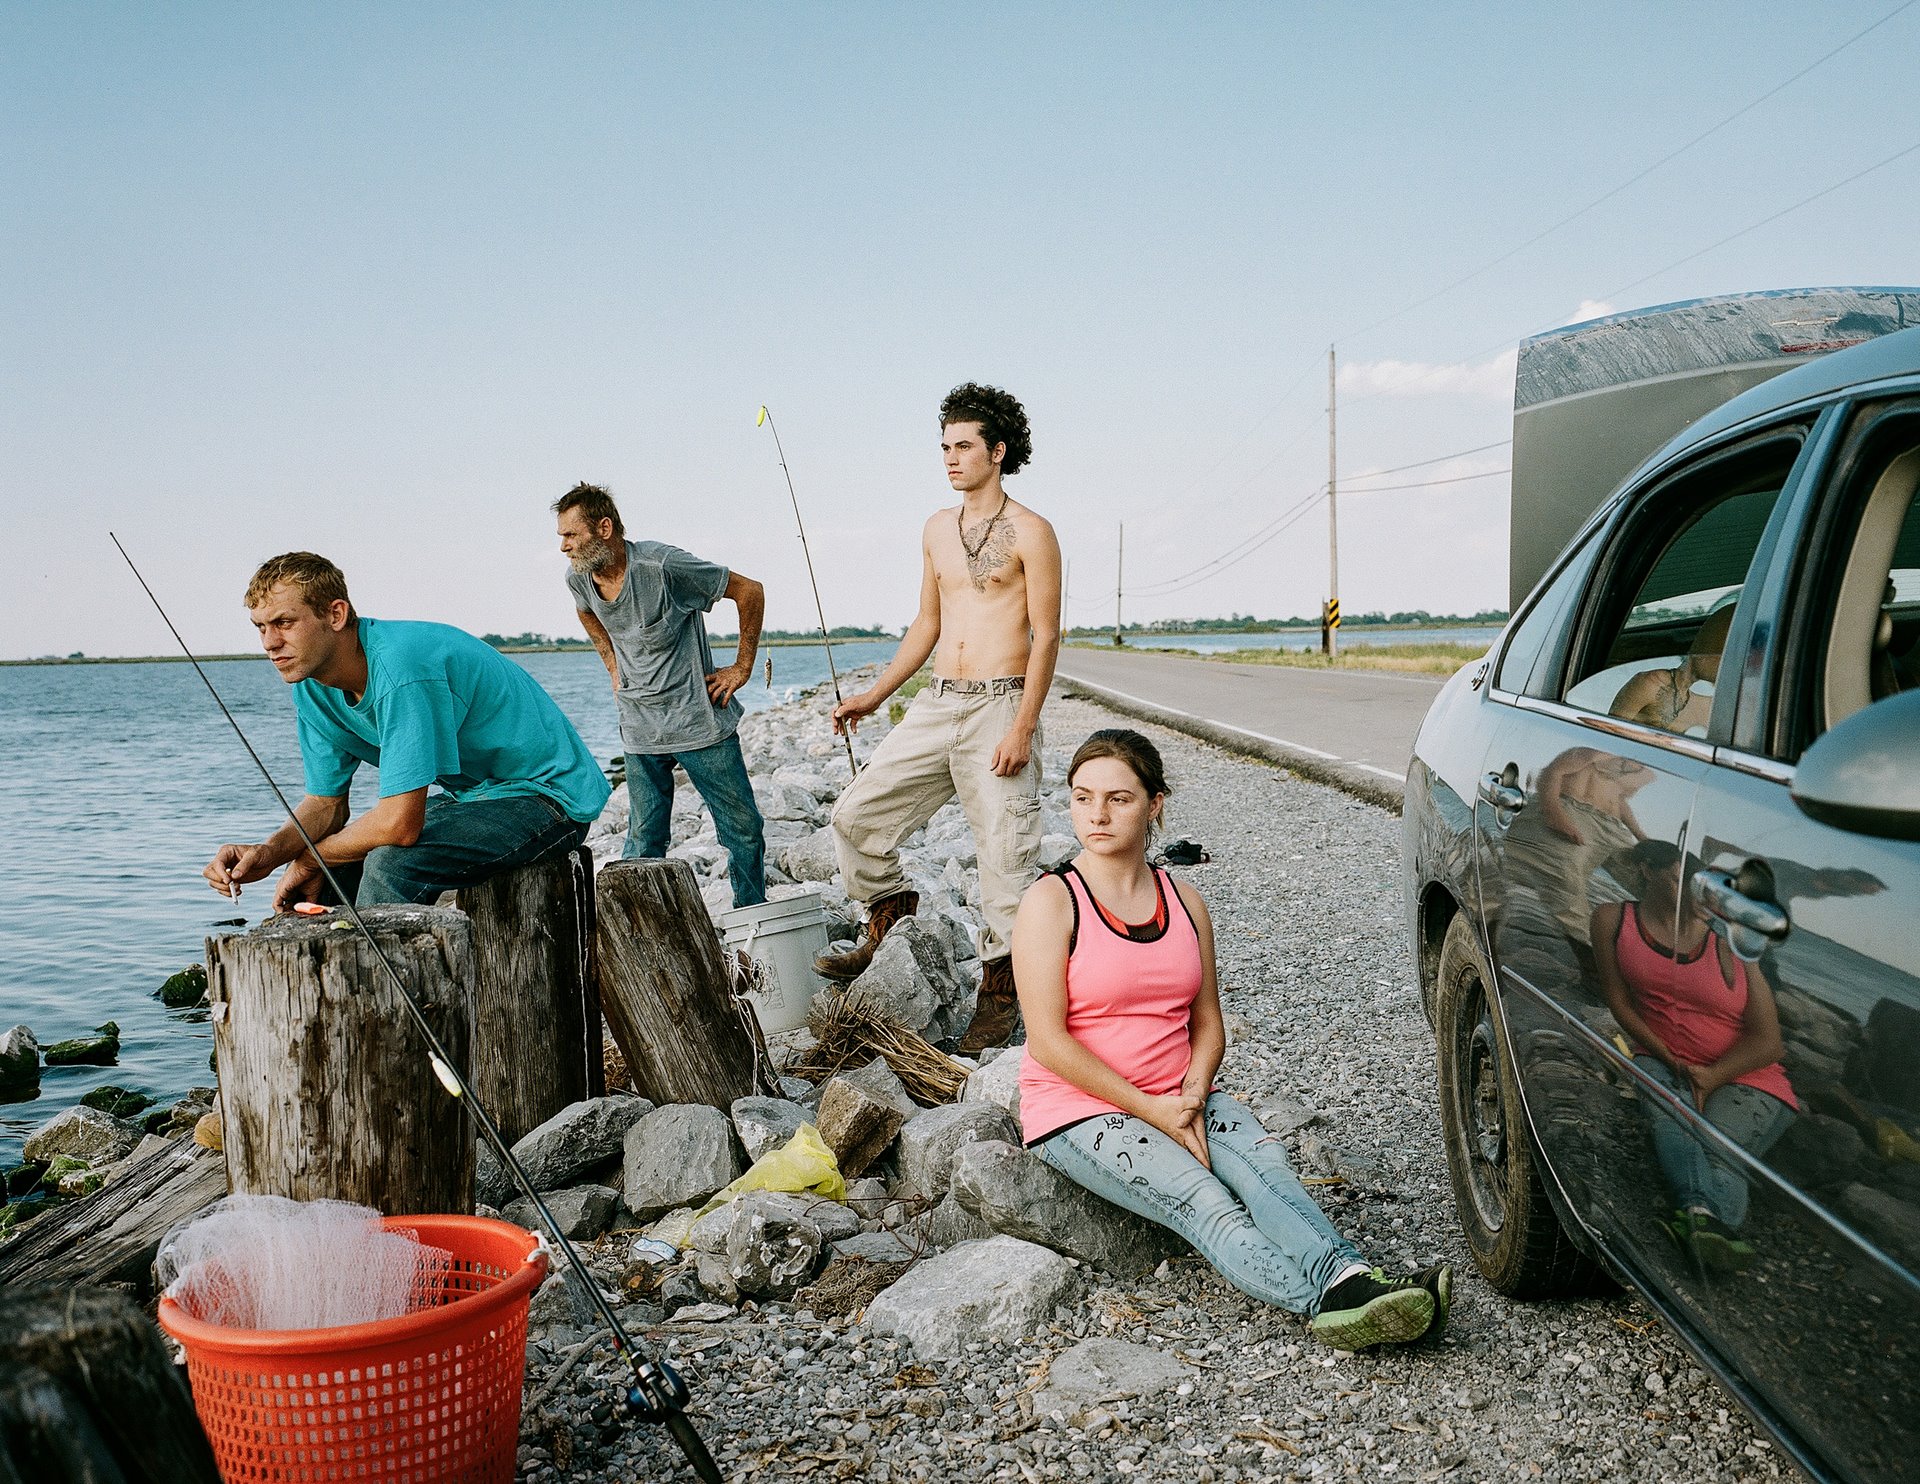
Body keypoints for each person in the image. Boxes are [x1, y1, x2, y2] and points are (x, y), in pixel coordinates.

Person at [1013, 729, 1451, 1348]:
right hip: (1081, 1109)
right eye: (1083, 798)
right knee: (1204, 1199)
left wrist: (1189, 1096)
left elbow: (1208, 1022)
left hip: (1181, 1093)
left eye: (1118, 798)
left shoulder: (1184, 901)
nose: (1097, 815)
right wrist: (1157, 1112)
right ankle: (1335, 1301)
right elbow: (1049, 1042)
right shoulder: (1052, 902)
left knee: (1264, 1170)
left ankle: (1353, 1281)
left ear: (1155, 804)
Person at [818, 383, 1061, 1053]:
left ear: (998, 451)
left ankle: (1001, 991)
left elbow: (1046, 635)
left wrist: (1022, 727)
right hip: (938, 701)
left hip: (1001, 704)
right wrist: (875, 692)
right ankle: (890, 921)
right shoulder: (934, 529)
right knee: (856, 817)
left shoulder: (1034, 533)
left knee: (1005, 856)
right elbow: (926, 621)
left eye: (963, 447)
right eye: (944, 447)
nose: (950, 459)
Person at [204, 552, 609, 909]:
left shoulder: (401, 668)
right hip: (476, 797)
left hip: (548, 799)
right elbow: (326, 805)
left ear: (335, 614)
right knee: (336, 870)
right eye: (260, 627)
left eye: (284, 622)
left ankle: (380, 990)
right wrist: (270, 853)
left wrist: (311, 857)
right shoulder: (312, 685)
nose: (269, 642)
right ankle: (323, 981)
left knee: (390, 861)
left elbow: (399, 825)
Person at [555, 482, 770, 909]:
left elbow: (750, 590)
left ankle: (752, 917)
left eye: (570, 535)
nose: (563, 547)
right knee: (643, 839)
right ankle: (637, 933)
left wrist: (742, 667)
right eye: (560, 536)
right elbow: (587, 613)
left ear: (604, 527)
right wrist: (613, 667)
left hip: (699, 722)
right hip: (639, 729)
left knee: (742, 830)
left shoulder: (662, 566)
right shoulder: (578, 579)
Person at [1592, 840, 1797, 1273]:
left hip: (1746, 1075)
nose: (1691, 894)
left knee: (1715, 1144)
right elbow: (1618, 1001)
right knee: (1670, 1113)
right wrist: (1666, 1055)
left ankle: (1700, 1216)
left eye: (1700, 887)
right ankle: (1713, 1231)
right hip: (1660, 1055)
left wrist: (1709, 1076)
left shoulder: (1730, 945)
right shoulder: (1612, 920)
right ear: (1647, 871)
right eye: (1675, 879)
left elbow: (1769, 1043)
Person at [1609, 605, 1733, 734]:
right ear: (1706, 646)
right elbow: (1607, 739)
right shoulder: (1652, 683)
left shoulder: (1715, 704)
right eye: (1723, 655)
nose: (1727, 667)